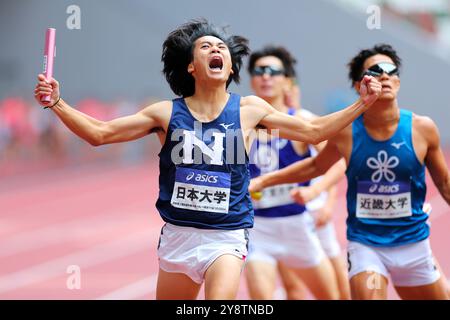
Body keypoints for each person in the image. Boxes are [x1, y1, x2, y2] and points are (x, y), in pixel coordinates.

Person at [34, 19, 381, 300]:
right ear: (191, 67)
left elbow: (314, 130)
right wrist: (57, 104)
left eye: (222, 48)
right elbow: (101, 134)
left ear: (230, 67)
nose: (216, 49)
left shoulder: (249, 109)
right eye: (206, 46)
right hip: (178, 236)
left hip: (226, 235)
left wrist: (361, 104)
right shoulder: (166, 113)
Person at [249, 43, 450, 300]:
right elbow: (316, 166)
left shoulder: (423, 129)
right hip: (365, 244)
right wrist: (264, 181)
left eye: (391, 70)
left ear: (398, 80)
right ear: (359, 85)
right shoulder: (345, 132)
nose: (385, 75)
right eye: (375, 71)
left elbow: (444, 182)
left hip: (413, 242)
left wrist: (318, 194)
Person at [244, 45, 349, 300]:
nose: (266, 76)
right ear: (252, 80)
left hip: (301, 224)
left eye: (273, 71)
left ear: (287, 81)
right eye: (259, 71)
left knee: (335, 295)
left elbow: (339, 160)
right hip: (258, 228)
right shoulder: (241, 124)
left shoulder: (302, 120)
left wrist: (320, 193)